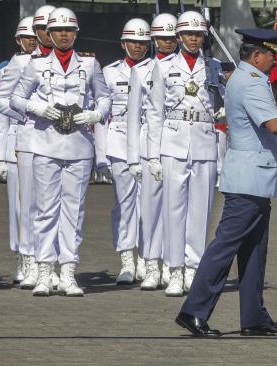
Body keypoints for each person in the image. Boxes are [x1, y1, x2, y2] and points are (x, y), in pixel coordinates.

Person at [175, 28, 277, 338]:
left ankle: (254, 316)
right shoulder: (252, 83)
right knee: (225, 248)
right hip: (249, 179)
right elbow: (273, 124)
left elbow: (276, 112)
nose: (275, 62)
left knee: (254, 251)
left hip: (254, 179)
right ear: (257, 55)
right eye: (272, 56)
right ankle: (193, 311)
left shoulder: (246, 79)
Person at [10, 7, 110, 297]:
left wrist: (95, 115)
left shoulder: (90, 65)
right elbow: (16, 97)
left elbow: (105, 98)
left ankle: (68, 272)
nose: (64, 35)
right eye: (58, 31)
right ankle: (44, 271)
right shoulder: (36, 65)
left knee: (74, 211)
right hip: (45, 142)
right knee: (45, 210)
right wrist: (37, 108)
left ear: (76, 33)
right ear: (49, 35)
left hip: (79, 145)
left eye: (69, 30)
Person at [146, 11, 220, 297]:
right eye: (188, 34)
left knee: (200, 211)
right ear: (178, 37)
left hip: (203, 140)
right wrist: (152, 155)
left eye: (198, 34)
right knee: (173, 209)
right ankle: (174, 269)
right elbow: (154, 113)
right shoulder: (163, 67)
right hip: (173, 141)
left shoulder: (213, 67)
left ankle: (194, 269)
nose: (193, 38)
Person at [126, 13, 178, 290]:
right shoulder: (142, 70)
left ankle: (171, 264)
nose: (167, 43)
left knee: (174, 209)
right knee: (150, 209)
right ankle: (150, 265)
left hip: (173, 146)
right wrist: (133, 157)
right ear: (153, 40)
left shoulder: (181, 67)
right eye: (162, 39)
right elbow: (133, 117)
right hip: (148, 146)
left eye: (171, 38)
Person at [102, 18, 151, 285]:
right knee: (124, 203)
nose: (138, 47)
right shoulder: (109, 72)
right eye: (133, 41)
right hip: (119, 140)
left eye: (143, 43)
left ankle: (145, 257)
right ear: (123, 43)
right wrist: (101, 156)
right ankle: (126, 259)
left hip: (146, 140)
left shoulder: (155, 69)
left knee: (148, 203)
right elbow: (102, 113)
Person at [0, 16, 40, 284]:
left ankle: (40, 257)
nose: (32, 42)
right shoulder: (13, 66)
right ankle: (22, 257)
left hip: (44, 140)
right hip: (16, 141)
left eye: (36, 36)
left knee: (42, 205)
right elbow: (2, 115)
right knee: (19, 207)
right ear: (19, 40)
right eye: (28, 38)